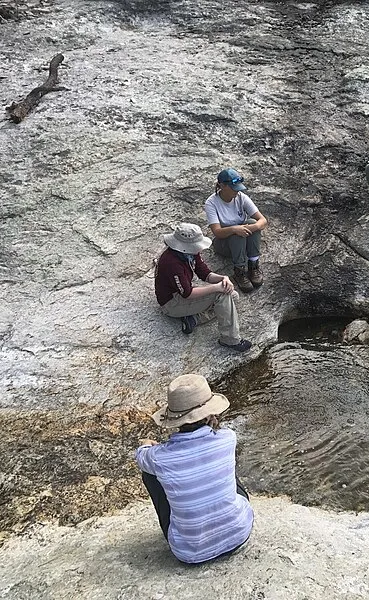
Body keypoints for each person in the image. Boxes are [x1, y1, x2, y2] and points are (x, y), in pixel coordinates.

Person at [136, 373, 254, 564]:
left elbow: (140, 456)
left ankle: (189, 529)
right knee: (224, 466)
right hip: (239, 534)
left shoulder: (159, 457)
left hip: (191, 553)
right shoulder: (228, 438)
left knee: (150, 474)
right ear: (210, 414)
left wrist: (148, 445)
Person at [154, 222, 252, 352]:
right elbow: (187, 293)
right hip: (171, 303)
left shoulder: (189, 253)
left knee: (232, 296)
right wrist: (217, 288)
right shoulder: (171, 263)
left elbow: (204, 273)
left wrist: (223, 278)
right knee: (222, 295)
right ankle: (230, 339)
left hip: (182, 295)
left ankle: (193, 319)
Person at [205, 168, 268, 293]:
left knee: (252, 223)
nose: (237, 191)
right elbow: (217, 232)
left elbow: (262, 220)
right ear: (222, 186)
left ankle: (253, 265)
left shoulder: (241, 197)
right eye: (234, 188)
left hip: (243, 242)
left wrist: (253, 227)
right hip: (225, 243)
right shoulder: (211, 203)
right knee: (236, 233)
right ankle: (239, 270)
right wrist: (234, 229)